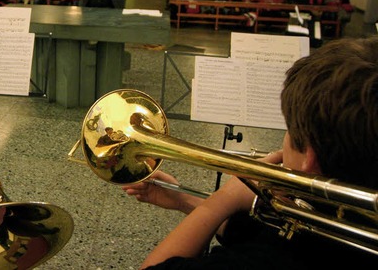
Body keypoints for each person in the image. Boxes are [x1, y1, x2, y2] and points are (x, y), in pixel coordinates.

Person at [123, 37, 378, 268]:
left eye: (289, 129)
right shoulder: (339, 216)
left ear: (308, 159)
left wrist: (224, 199)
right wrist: (184, 201)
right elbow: (257, 230)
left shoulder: (277, 257)